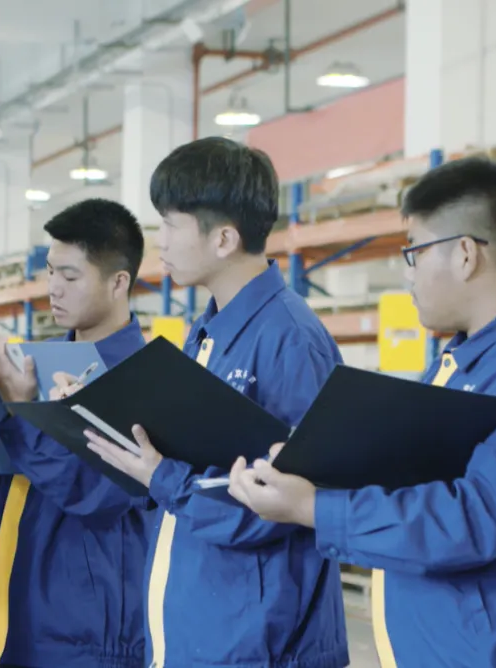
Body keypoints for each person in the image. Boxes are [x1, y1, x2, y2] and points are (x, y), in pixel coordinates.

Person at [227, 157, 496, 667]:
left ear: (465, 255)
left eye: (413, 251)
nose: (406, 273)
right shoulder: (461, 359)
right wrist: (317, 461)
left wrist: (313, 508)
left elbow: (474, 517)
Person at [84, 137, 349, 668]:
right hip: (200, 631)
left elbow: (291, 505)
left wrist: (164, 478)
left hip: (260, 645)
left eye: (170, 224)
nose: (159, 241)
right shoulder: (206, 333)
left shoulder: (291, 340)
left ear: (224, 238)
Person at [0, 198, 150, 668]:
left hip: (93, 636)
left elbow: (97, 496)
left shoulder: (144, 380)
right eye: (50, 272)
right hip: (25, 615)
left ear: (118, 282)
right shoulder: (34, 362)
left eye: (70, 276)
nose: (53, 288)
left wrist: (24, 409)